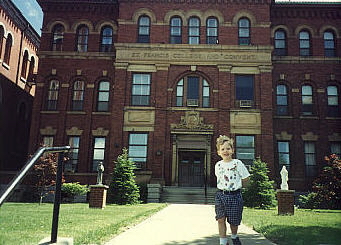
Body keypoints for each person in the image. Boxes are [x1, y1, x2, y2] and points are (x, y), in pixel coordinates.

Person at [215, 135, 250, 245]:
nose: (225, 151)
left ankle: (234, 237)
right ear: (219, 152)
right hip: (221, 195)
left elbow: (246, 178)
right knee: (220, 218)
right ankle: (223, 242)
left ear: (232, 150)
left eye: (228, 148)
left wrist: (237, 188)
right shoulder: (218, 165)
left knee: (234, 221)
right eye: (223, 149)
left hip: (235, 196)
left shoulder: (237, 163)